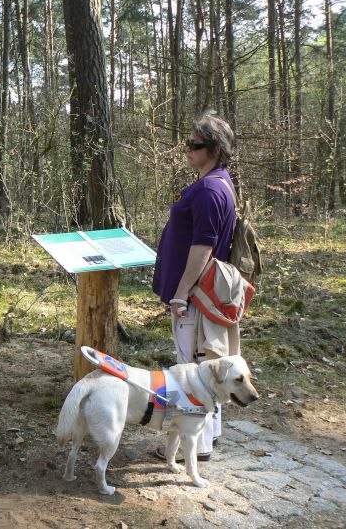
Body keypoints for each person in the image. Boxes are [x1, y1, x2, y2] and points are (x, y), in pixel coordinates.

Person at [151, 112, 238, 462]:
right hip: (206, 294)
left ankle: (196, 447)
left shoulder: (208, 190)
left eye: (194, 145)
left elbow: (203, 248)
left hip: (198, 296)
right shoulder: (220, 182)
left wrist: (180, 292)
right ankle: (208, 437)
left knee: (192, 369)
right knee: (209, 364)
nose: (187, 149)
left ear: (214, 149)